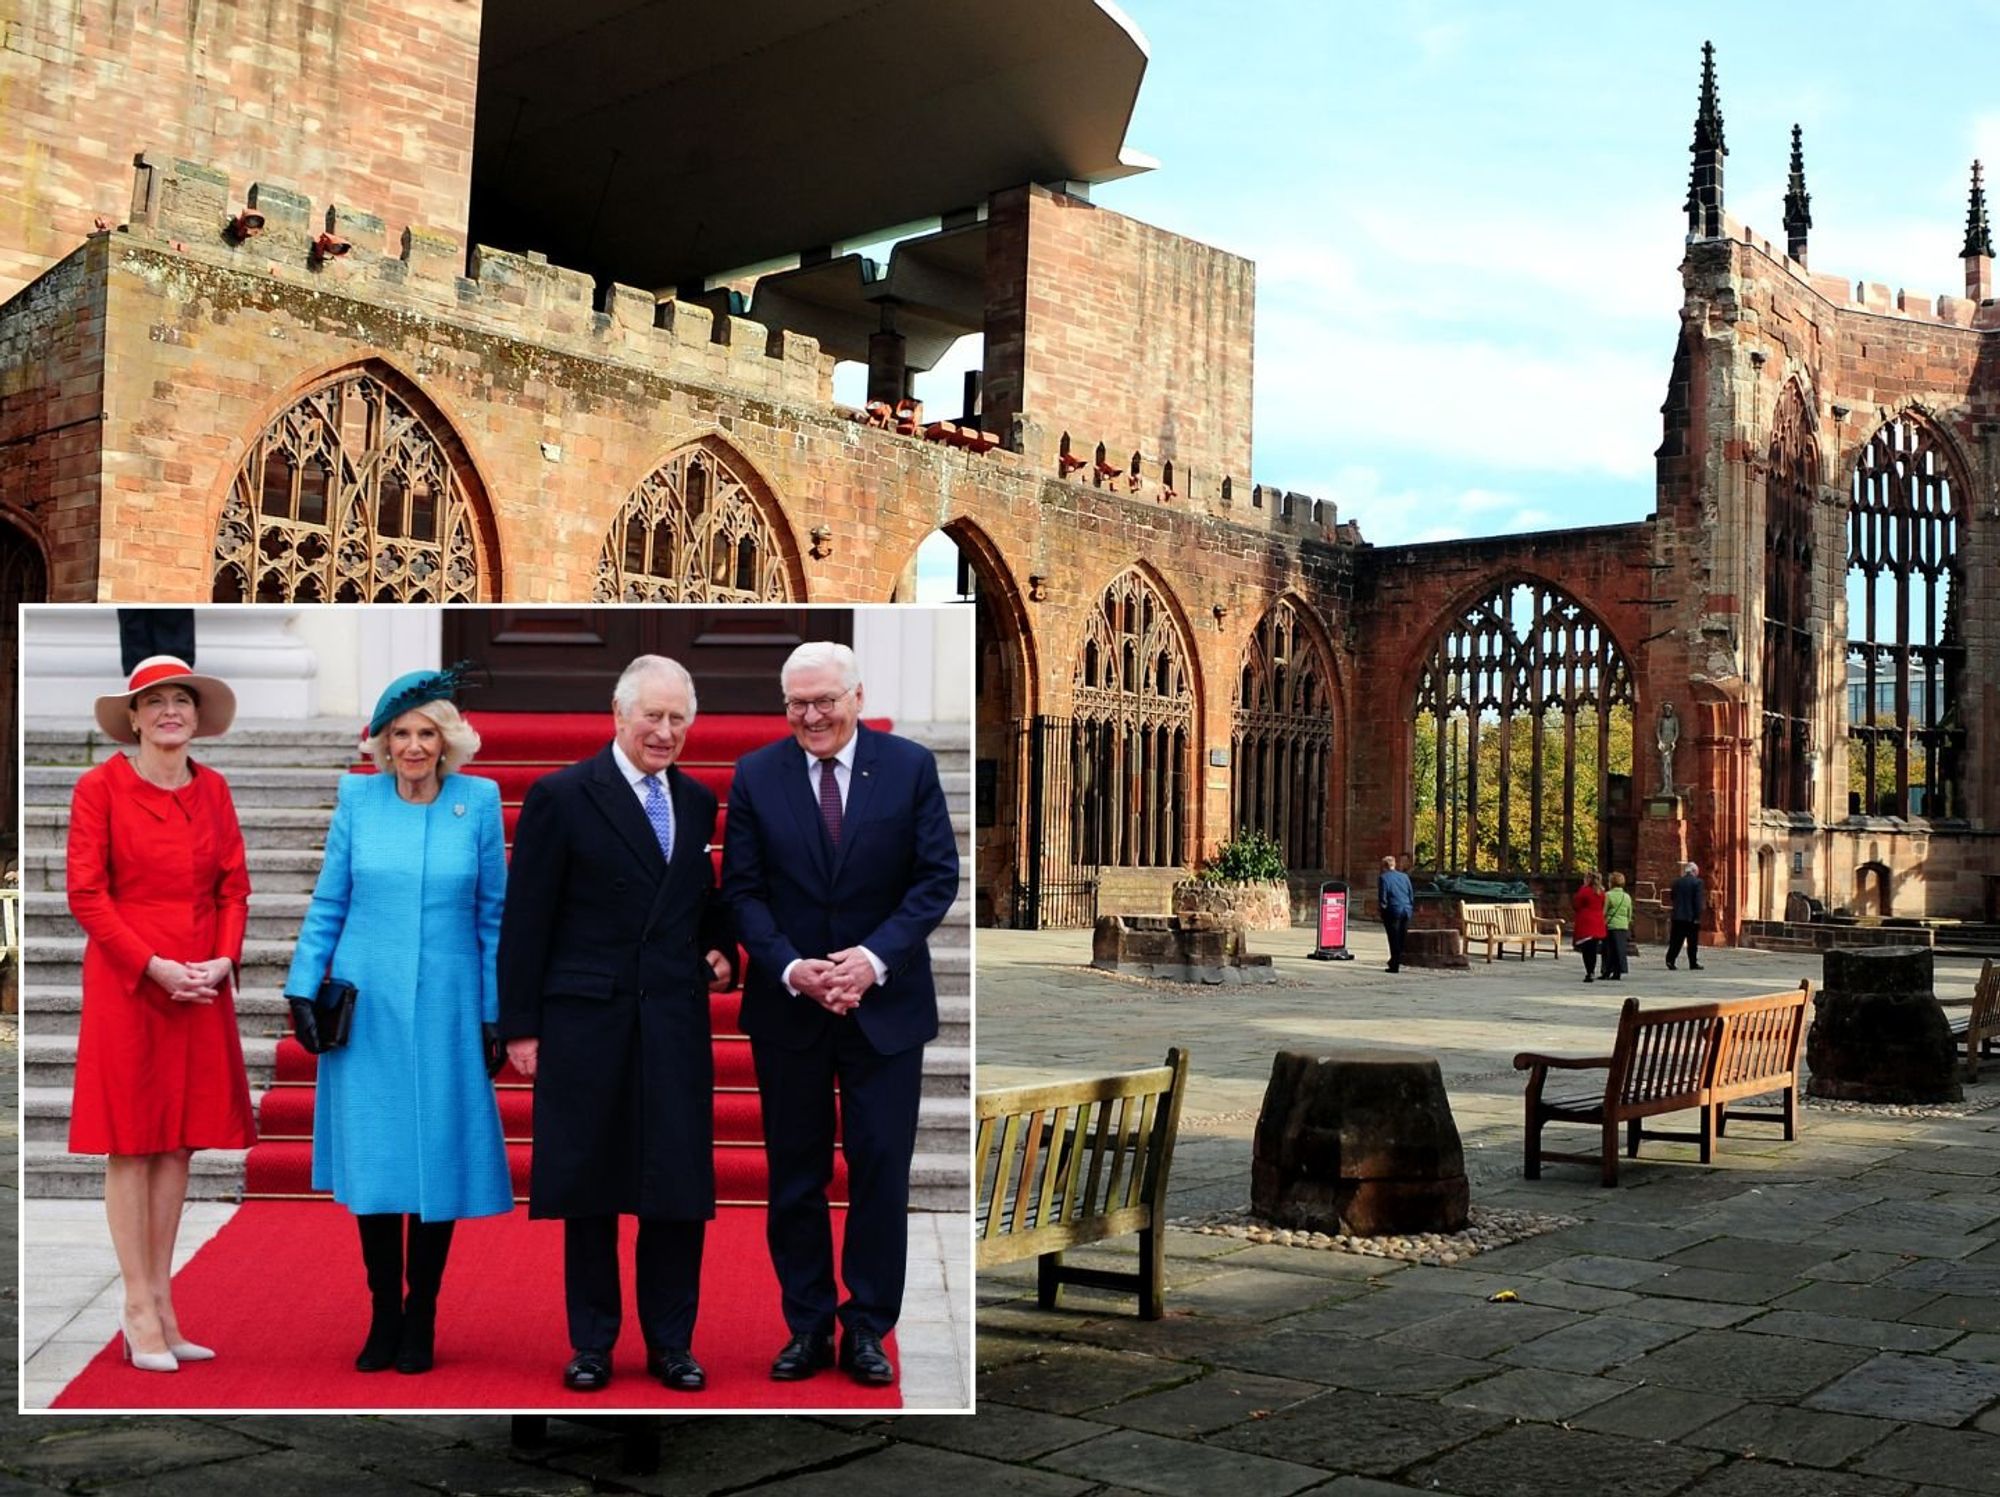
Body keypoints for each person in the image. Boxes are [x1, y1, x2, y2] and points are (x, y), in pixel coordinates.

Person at [722, 641, 959, 1387]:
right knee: (795, 1175)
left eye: (824, 700)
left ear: (856, 696)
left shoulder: (910, 767)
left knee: (880, 1170)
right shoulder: (758, 774)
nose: (811, 715)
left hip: (884, 1007)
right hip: (791, 1006)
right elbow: (743, 890)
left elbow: (935, 879)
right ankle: (807, 1325)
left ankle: (866, 1327)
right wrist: (792, 966)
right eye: (797, 702)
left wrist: (871, 959)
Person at [497, 656, 736, 1395]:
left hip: (670, 1019)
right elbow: (526, 917)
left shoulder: (697, 801)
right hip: (587, 1021)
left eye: (677, 720)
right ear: (617, 712)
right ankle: (593, 1343)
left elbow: (700, 901)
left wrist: (722, 949)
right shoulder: (563, 796)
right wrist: (521, 1027)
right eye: (652, 716)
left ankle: (672, 1344)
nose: (665, 732)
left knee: (675, 1188)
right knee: (590, 1189)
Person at [282, 666, 513, 1375]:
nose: (413, 747)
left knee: (437, 1157)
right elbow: (330, 901)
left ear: (448, 740)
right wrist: (300, 988)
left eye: (426, 733)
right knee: (381, 1161)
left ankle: (424, 1312)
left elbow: (492, 917)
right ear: (383, 743)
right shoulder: (359, 798)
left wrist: (493, 1013)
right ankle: (383, 1311)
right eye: (401, 734)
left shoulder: (478, 802)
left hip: (447, 1006)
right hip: (369, 1006)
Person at [67, 656, 255, 1373]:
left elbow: (235, 886)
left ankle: (163, 1302)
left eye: (183, 700)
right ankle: (137, 1305)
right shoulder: (100, 787)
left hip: (201, 981)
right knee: (133, 1140)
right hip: (130, 980)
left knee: (180, 1141)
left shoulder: (215, 789)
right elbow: (87, 894)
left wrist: (223, 958)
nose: (171, 711)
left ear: (197, 718)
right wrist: (152, 964)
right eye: (157, 702)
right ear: (136, 717)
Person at [1377, 855, 1413, 973]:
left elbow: (1383, 898)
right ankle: (1395, 960)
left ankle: (1394, 965)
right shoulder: (1404, 877)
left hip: (1393, 911)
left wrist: (1382, 911)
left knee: (1394, 938)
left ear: (1384, 866)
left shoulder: (1384, 878)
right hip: (1406, 910)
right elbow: (1410, 894)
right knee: (1402, 937)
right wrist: (1410, 907)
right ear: (1394, 865)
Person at [1667, 861, 1706, 970]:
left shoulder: (1676, 882)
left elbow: (1672, 897)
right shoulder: (1697, 883)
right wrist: (1697, 916)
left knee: (1675, 940)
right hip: (1691, 918)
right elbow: (1697, 901)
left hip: (1677, 916)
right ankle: (1692, 963)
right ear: (1694, 871)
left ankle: (1670, 960)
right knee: (1692, 942)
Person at [1571, 871, 1607, 983]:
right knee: (1593, 950)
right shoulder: (1601, 892)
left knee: (1586, 951)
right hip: (1598, 922)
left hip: (1586, 923)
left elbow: (1576, 904)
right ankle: (1591, 971)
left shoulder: (1585, 891)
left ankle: (1589, 972)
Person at [1602, 872, 1633, 981]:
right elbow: (1629, 913)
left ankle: (1606, 971)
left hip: (1611, 925)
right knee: (1620, 950)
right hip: (1623, 926)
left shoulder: (1608, 895)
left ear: (1611, 883)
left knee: (1608, 950)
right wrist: (1626, 923)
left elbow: (1604, 912)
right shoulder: (1627, 896)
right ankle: (1618, 971)